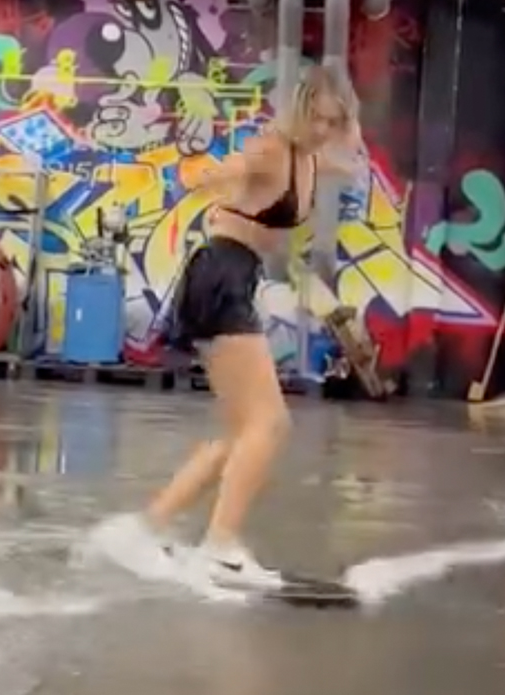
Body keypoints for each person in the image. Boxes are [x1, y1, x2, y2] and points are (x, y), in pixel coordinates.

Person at [144, 66, 363, 587]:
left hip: (234, 277)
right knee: (270, 424)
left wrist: (347, 124)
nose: (324, 130)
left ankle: (149, 526)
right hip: (220, 273)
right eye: (317, 119)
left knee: (244, 433)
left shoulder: (312, 159)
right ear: (300, 111)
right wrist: (214, 177)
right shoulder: (272, 150)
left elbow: (350, 164)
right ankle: (219, 546)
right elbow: (223, 172)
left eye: (333, 122)